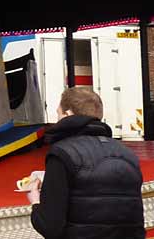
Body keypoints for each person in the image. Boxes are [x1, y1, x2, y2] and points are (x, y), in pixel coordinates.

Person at [26, 86, 144, 238]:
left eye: (58, 113)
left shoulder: (62, 153)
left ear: (68, 114)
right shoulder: (128, 155)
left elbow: (50, 226)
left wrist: (36, 201)